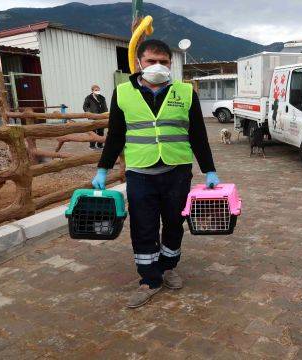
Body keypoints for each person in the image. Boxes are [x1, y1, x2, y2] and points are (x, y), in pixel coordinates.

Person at [91, 39, 220, 308]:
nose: (158, 66)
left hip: (177, 171)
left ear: (170, 63)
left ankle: (169, 266)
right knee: (143, 226)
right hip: (140, 173)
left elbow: (197, 134)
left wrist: (209, 170)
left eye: (164, 61)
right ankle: (149, 278)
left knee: (174, 223)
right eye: (152, 61)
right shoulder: (123, 93)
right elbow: (115, 135)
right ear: (139, 63)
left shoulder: (185, 92)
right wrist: (103, 169)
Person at [83, 84, 108, 149]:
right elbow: (85, 106)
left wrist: (106, 114)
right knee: (93, 131)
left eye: (98, 90)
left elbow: (105, 107)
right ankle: (92, 146)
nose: (97, 91)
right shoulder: (88, 98)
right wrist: (89, 113)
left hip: (101, 117)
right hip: (92, 117)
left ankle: (100, 145)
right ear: (92, 91)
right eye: (96, 90)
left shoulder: (102, 98)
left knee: (101, 131)